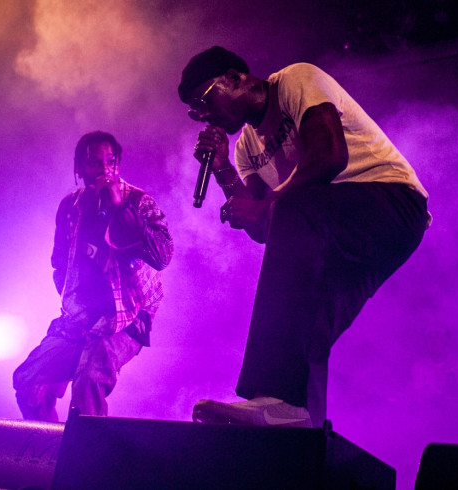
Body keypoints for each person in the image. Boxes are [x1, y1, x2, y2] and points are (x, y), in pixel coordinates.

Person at [178, 46, 430, 428]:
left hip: (391, 205)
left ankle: (271, 393)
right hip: (336, 233)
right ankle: (299, 433)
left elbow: (330, 155)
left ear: (233, 78)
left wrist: (269, 205)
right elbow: (268, 229)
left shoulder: (294, 80)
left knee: (292, 208)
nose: (203, 114)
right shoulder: (247, 147)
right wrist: (223, 169)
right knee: (309, 330)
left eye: (204, 99)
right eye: (195, 110)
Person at [13, 131, 173, 422]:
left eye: (110, 161)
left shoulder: (138, 201)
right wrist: (75, 304)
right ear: (79, 168)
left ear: (118, 165)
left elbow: (163, 256)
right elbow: (59, 262)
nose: (103, 169)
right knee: (28, 381)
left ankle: (86, 460)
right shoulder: (69, 207)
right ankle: (51, 451)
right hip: (79, 318)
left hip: (126, 318)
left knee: (87, 385)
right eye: (94, 163)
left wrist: (120, 209)